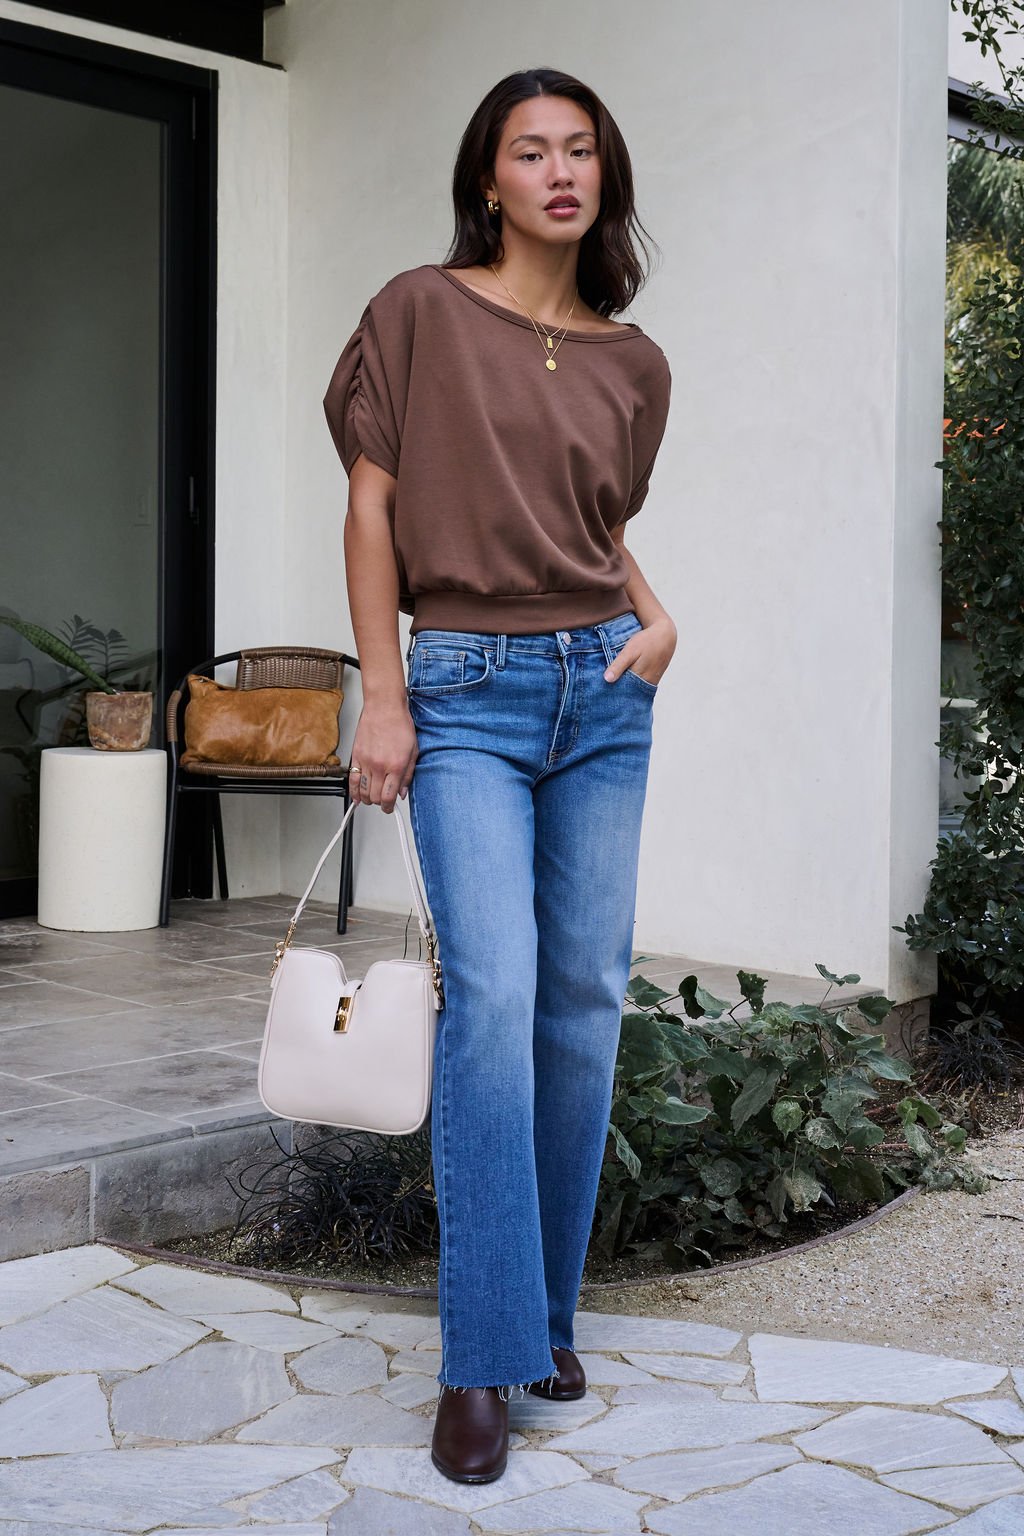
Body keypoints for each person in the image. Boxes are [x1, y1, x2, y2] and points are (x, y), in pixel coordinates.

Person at [322, 65, 675, 1485]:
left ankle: (543, 1316)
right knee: (501, 999)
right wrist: (382, 700)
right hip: (460, 690)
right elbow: (373, 505)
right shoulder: (416, 311)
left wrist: (657, 618)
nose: (559, 171)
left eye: (580, 149)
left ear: (603, 178)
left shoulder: (633, 365)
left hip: (601, 691)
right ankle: (480, 1360)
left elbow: (586, 528)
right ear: (489, 181)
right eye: (531, 151)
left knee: (586, 1003)